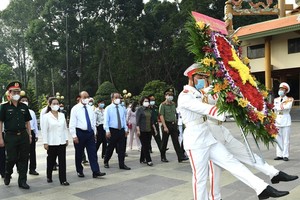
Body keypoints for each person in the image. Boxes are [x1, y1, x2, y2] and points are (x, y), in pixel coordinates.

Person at [177, 63, 289, 200]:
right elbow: (202, 108)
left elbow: (216, 96)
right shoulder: (185, 96)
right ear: (191, 77)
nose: (203, 80)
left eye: (205, 77)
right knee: (200, 178)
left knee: (231, 162)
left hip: (208, 137)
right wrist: (226, 113)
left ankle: (261, 188)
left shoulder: (199, 93)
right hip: (195, 141)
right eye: (200, 77)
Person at [197, 77, 298, 200]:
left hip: (222, 130)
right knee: (216, 170)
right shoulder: (204, 93)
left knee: (247, 153)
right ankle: (215, 197)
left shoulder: (226, 87)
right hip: (211, 131)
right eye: (201, 76)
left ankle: (273, 173)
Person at [0, 81, 32, 189]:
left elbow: (28, 122)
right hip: (10, 136)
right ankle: (7, 173)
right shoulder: (4, 107)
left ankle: (22, 181)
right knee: (11, 158)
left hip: (23, 135)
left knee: (24, 158)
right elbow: (0, 123)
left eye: (18, 91)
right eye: (14, 92)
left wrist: (30, 135)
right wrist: (0, 138)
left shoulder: (24, 106)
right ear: (9, 93)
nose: (16, 94)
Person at [69, 91, 106, 178]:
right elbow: (72, 123)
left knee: (92, 152)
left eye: (88, 97)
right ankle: (79, 170)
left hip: (89, 133)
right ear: (80, 98)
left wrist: (94, 132)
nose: (86, 99)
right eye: (84, 97)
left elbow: (93, 121)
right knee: (79, 153)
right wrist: (74, 136)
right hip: (80, 132)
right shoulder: (75, 109)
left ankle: (95, 171)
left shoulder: (90, 108)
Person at [41, 97, 69, 186]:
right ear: (49, 105)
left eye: (57, 103)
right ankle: (49, 175)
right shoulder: (46, 116)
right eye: (54, 103)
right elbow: (44, 130)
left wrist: (66, 138)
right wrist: (45, 142)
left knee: (62, 161)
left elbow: (64, 128)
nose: (56, 105)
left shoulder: (62, 115)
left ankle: (63, 179)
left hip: (61, 142)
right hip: (52, 142)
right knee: (51, 160)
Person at [159, 88, 188, 163]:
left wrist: (177, 124)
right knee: (164, 142)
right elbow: (161, 116)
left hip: (173, 124)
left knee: (176, 141)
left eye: (171, 95)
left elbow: (175, 114)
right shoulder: (162, 105)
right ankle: (163, 156)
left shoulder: (173, 104)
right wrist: (165, 126)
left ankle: (180, 157)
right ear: (165, 96)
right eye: (169, 95)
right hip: (166, 124)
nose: (170, 97)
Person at [103, 92, 131, 170]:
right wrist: (107, 130)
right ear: (112, 99)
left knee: (122, 148)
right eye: (116, 97)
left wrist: (126, 129)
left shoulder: (122, 108)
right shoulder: (108, 108)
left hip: (121, 130)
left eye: (119, 97)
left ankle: (122, 164)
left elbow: (123, 120)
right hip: (112, 130)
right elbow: (106, 121)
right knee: (110, 147)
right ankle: (106, 161)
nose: (118, 99)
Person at [19, 95, 39, 176]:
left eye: (26, 100)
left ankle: (32, 168)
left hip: (31, 132)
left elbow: (34, 124)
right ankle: (21, 169)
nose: (25, 102)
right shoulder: (19, 111)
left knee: (32, 151)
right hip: (22, 132)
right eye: (23, 100)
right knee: (22, 152)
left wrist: (36, 134)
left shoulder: (32, 112)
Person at [273, 82, 294, 161]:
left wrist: (277, 107)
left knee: (286, 139)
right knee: (278, 139)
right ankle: (279, 154)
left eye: (282, 89)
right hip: (277, 120)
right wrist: (278, 107)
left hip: (286, 121)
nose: (280, 91)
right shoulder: (276, 99)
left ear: (286, 91)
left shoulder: (290, 99)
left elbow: (286, 107)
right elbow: (274, 108)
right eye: (280, 89)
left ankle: (285, 155)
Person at [136, 96, 154, 166]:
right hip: (142, 130)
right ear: (142, 102)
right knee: (145, 145)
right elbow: (137, 121)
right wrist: (138, 130)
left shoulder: (149, 110)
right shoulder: (139, 109)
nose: (147, 103)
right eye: (145, 101)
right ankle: (148, 160)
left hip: (149, 129)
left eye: (147, 101)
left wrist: (154, 129)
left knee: (146, 144)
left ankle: (142, 158)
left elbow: (151, 121)